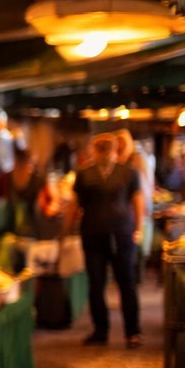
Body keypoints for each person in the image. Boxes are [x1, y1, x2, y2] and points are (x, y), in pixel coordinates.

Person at [66, 132, 145, 348]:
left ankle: (133, 331)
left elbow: (138, 201)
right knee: (96, 284)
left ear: (115, 151)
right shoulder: (84, 175)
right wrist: (65, 231)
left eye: (107, 148)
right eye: (99, 149)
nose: (103, 153)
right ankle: (100, 330)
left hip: (122, 235)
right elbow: (75, 204)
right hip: (93, 236)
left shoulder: (128, 173)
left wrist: (138, 228)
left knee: (126, 283)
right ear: (93, 151)